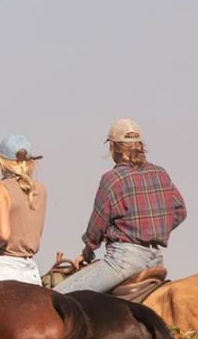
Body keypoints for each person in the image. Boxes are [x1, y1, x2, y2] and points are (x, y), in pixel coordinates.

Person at [54, 118, 186, 294]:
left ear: (112, 147)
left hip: (123, 261)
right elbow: (180, 211)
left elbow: (96, 227)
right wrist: (152, 228)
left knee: (56, 297)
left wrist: (87, 253)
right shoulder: (160, 173)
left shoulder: (112, 178)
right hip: (155, 259)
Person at [0, 134, 47, 285]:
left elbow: (2, 234)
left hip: (3, 268)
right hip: (31, 271)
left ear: (1, 161)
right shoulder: (40, 189)